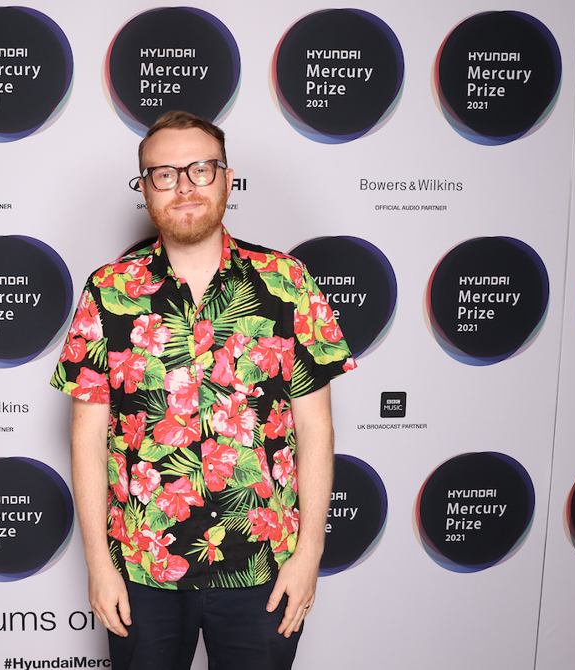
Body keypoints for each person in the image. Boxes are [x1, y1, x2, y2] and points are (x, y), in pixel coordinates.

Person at [50, 110, 355, 670]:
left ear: (227, 178)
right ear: (144, 190)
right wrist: (98, 563)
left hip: (263, 565)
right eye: (163, 174)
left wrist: (309, 553)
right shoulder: (109, 290)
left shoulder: (287, 283)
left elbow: (316, 428)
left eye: (199, 169)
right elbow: (88, 437)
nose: (184, 187)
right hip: (143, 568)